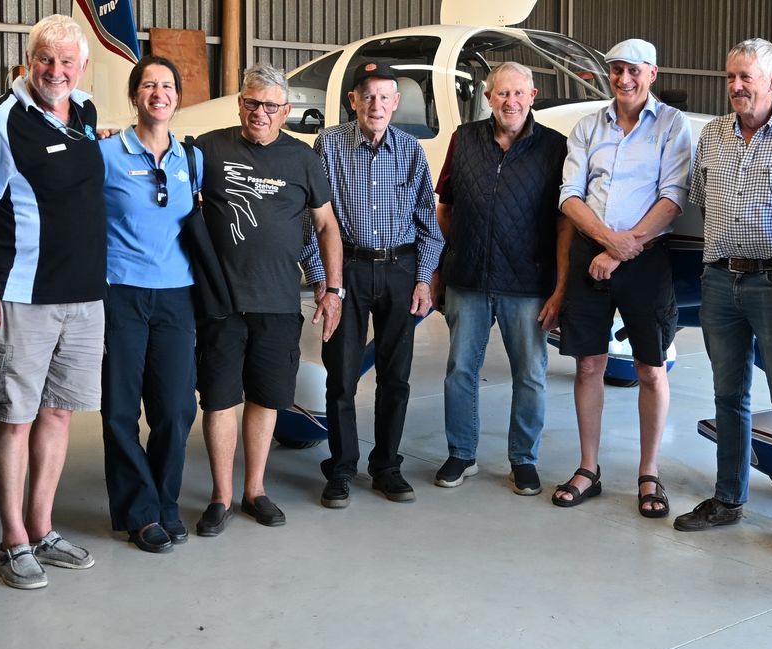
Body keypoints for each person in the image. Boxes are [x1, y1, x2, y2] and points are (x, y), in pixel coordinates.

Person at [0, 15, 108, 590]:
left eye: (67, 61)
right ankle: (12, 539)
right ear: (28, 60)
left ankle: (42, 527)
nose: (56, 71)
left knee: (57, 412)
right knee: (16, 419)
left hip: (84, 296)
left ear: (83, 66)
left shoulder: (89, 112)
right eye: (45, 60)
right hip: (21, 297)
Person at [673, 39, 772, 557]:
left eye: (746, 77)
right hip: (720, 280)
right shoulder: (713, 135)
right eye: (730, 77)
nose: (736, 86)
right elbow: (699, 201)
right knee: (728, 395)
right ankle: (728, 498)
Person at [192, 63, 343, 533]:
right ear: (240, 103)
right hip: (219, 302)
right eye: (252, 102)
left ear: (286, 111)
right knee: (219, 400)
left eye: (271, 106)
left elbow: (327, 226)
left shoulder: (302, 159)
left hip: (277, 302)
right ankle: (219, 496)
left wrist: (332, 287)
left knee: (266, 398)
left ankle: (254, 491)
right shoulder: (208, 148)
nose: (260, 112)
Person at [554, 38, 694, 516]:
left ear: (652, 74)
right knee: (588, 364)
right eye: (616, 70)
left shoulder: (673, 125)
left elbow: (673, 197)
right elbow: (570, 195)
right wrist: (607, 242)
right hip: (590, 253)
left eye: (633, 70)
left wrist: (622, 248)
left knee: (651, 369)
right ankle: (588, 468)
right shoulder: (589, 126)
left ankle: (648, 473)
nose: (624, 79)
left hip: (646, 257)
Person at [435, 61, 570, 495]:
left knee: (530, 374)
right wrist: (446, 263)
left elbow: (564, 221)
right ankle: (461, 454)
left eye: (518, 93)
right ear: (489, 98)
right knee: (460, 370)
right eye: (501, 93)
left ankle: (523, 460)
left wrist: (560, 286)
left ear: (532, 97)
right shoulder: (465, 140)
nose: (510, 101)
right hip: (468, 279)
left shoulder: (555, 148)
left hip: (528, 284)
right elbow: (445, 206)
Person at [315, 63, 443, 508]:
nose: (377, 105)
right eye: (368, 96)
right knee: (342, 374)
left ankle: (387, 466)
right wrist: (323, 280)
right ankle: (343, 467)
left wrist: (424, 278)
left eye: (386, 97)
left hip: (399, 271)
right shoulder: (329, 144)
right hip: (346, 269)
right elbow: (314, 221)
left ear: (395, 102)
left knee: (396, 377)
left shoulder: (410, 150)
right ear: (354, 100)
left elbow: (429, 225)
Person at [98, 55, 201, 554]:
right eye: (149, 85)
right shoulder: (107, 155)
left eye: (167, 86)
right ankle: (138, 513)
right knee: (120, 409)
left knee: (177, 408)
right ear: (135, 94)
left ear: (178, 97)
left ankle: (164, 501)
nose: (159, 93)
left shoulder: (192, 160)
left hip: (176, 296)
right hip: (121, 292)